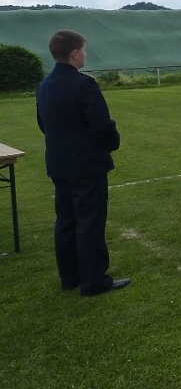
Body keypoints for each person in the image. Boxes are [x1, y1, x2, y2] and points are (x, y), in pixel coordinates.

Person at [36, 30, 129, 296]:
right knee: (90, 222)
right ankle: (93, 281)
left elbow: (43, 124)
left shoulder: (43, 85)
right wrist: (112, 141)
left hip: (58, 163)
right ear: (75, 53)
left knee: (66, 220)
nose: (85, 54)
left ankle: (70, 277)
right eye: (84, 50)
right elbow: (101, 126)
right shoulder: (84, 84)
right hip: (86, 165)